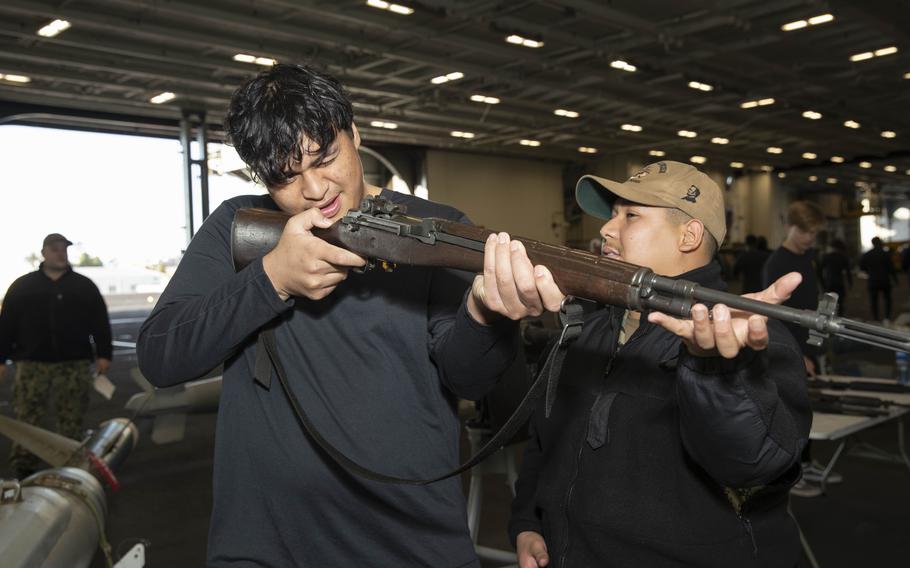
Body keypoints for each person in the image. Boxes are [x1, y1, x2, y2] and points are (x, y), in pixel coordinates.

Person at [136, 63, 562, 567]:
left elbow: (468, 378)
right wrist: (270, 279)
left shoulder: (438, 229)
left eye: (327, 158)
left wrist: (484, 313)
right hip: (268, 547)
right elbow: (160, 356)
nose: (315, 189)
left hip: (410, 542)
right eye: (286, 176)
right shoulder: (238, 227)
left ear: (355, 133)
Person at [509, 161, 811, 567]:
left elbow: (752, 463)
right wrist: (528, 521)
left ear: (689, 235)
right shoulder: (583, 333)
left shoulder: (751, 339)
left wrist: (718, 370)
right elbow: (546, 441)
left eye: (630, 215)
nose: (606, 230)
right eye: (612, 213)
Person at [0, 233, 112, 478]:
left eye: (64, 249)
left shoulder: (83, 286)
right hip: (32, 364)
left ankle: (69, 470)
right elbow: (6, 324)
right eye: (55, 249)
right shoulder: (23, 286)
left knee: (71, 418)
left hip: (74, 364)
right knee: (28, 417)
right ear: (43, 253)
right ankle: (24, 469)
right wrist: (1, 359)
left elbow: (100, 322)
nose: (61, 253)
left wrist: (104, 354)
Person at [762, 200, 835, 496]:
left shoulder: (807, 257)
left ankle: (805, 461)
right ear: (791, 227)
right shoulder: (777, 264)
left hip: (809, 344)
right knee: (790, 412)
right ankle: (790, 474)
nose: (810, 239)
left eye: (814, 234)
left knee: (808, 407)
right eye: (806, 232)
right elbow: (776, 317)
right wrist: (798, 354)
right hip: (790, 349)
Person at [859, 237, 898, 322]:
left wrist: (870, 272)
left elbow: (862, 267)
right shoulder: (885, 254)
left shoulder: (867, 254)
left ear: (872, 243)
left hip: (873, 281)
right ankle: (887, 317)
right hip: (885, 280)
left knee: (874, 300)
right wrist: (895, 280)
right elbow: (891, 269)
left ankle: (876, 318)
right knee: (887, 299)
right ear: (880, 243)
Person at [819, 238, 852, 316]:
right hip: (840, 283)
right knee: (840, 304)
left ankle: (827, 320)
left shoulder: (827, 256)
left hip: (829, 282)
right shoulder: (843, 257)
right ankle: (838, 321)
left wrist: (822, 283)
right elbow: (848, 272)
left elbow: (819, 271)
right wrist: (850, 283)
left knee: (828, 304)